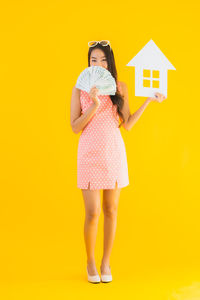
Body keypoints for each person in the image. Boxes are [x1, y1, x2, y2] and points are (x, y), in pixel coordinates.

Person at [70, 40, 166, 283]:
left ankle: (105, 262)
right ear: (88, 63)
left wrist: (148, 100)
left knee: (111, 210)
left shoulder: (119, 87)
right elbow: (74, 127)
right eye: (94, 60)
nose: (99, 64)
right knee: (92, 213)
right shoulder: (80, 89)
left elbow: (128, 124)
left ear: (109, 62)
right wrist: (93, 104)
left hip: (113, 152)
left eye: (103, 60)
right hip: (89, 154)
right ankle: (90, 261)